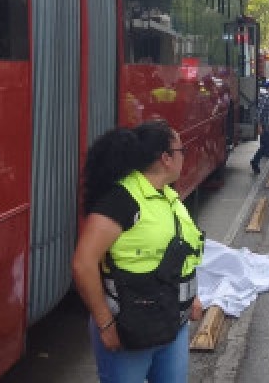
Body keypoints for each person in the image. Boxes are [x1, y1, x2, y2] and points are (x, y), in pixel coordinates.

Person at [72, 120, 204, 382]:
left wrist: (192, 298)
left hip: (172, 324)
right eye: (181, 151)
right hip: (130, 329)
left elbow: (180, 254)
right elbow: (83, 264)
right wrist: (105, 323)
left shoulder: (168, 195)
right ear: (166, 158)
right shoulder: (122, 200)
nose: (183, 158)